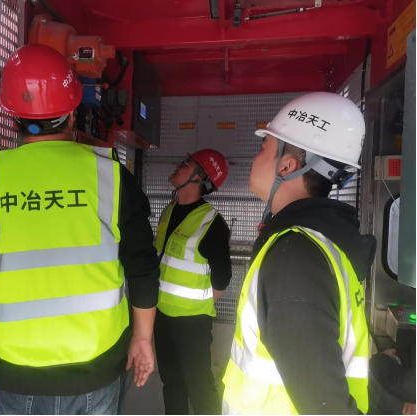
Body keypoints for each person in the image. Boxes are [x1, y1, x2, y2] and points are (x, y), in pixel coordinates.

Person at [0, 44, 160, 416]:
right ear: (73, 112)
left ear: (12, 115)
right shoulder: (111, 178)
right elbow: (143, 268)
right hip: (97, 369)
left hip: (17, 375)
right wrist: (142, 337)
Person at [222, 92, 377, 415]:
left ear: (287, 165)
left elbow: (326, 406)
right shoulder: (321, 244)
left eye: (263, 148)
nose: (254, 159)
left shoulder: (295, 257)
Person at [155, 150, 232, 415]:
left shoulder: (212, 222)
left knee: (199, 385)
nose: (178, 165)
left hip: (192, 322)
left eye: (185, 164)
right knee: (171, 383)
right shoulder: (169, 210)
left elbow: (222, 277)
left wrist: (198, 305)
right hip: (162, 315)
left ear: (199, 177)